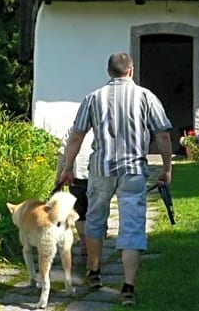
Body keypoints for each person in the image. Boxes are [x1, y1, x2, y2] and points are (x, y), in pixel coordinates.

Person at [56, 52, 173, 307]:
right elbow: (162, 135)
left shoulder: (93, 98)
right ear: (131, 70)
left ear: (109, 72)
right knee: (132, 227)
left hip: (101, 169)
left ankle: (94, 272)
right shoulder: (146, 97)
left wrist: (67, 168)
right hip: (133, 169)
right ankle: (128, 287)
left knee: (96, 219)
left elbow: (76, 136)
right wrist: (167, 168)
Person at [55, 126, 91, 256]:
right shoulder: (103, 127)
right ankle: (94, 240)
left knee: (80, 210)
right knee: (96, 209)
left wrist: (59, 175)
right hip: (99, 175)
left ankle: (84, 242)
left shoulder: (74, 129)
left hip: (76, 175)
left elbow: (63, 153)